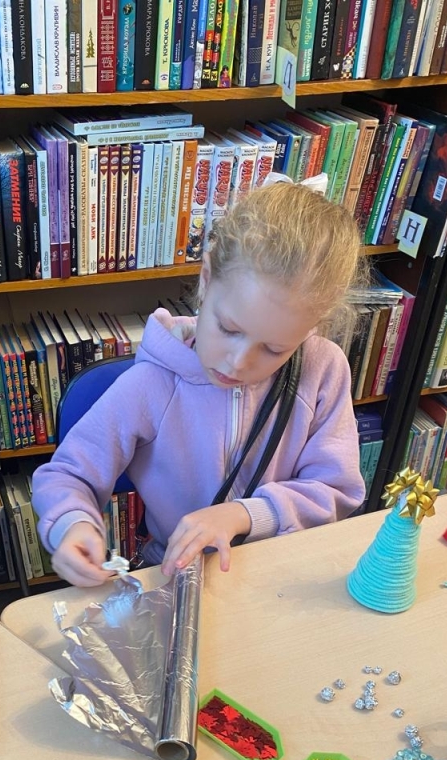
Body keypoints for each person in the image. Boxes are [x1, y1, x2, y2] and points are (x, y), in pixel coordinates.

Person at [32, 181, 367, 588]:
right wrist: (72, 524)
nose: (238, 362)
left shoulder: (323, 369)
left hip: (283, 573)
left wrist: (243, 515)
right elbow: (67, 475)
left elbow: (336, 490)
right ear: (206, 278)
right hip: (178, 576)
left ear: (313, 326)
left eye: (274, 349)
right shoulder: (151, 384)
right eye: (228, 328)